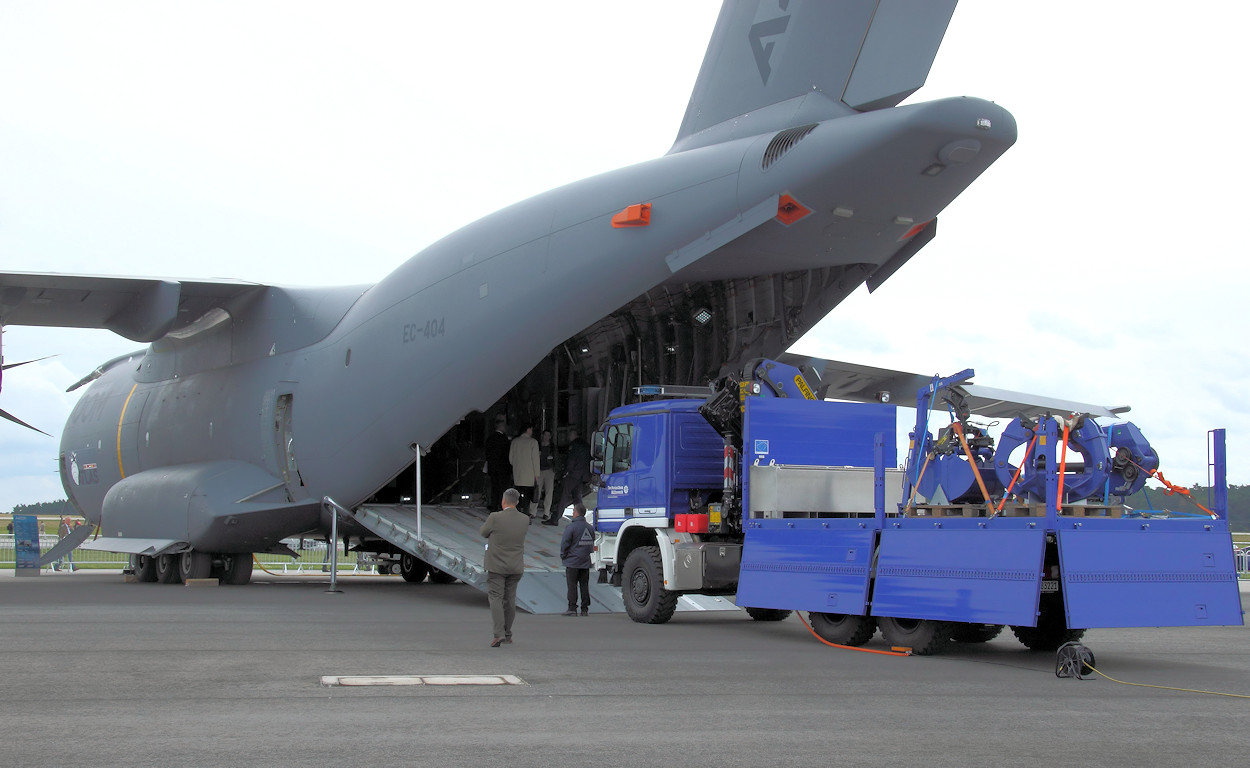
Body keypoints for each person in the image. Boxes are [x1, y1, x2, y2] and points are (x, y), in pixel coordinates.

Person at [480, 488, 530, 647]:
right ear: (517, 502)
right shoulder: (524, 519)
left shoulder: (495, 517)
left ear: (503, 501)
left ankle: (499, 634)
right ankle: (507, 633)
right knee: (510, 600)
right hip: (515, 566)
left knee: (495, 598)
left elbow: (483, 532)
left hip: (496, 565)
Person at [560, 501, 594, 616]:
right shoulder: (589, 528)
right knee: (584, 585)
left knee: (572, 585)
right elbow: (591, 542)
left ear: (576, 513)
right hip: (585, 561)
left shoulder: (571, 527)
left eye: (573, 511)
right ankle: (585, 609)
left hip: (572, 561)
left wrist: (563, 555)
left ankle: (572, 608)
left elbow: (565, 543)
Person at [554, 429, 592, 520]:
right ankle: (580, 517)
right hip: (582, 476)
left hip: (573, 474)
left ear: (572, 435)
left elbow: (571, 461)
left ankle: (555, 518)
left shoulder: (574, 445)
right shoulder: (586, 445)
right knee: (577, 498)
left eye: (569, 436)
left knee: (563, 496)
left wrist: (565, 473)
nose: (568, 438)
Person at [509, 423, 541, 516]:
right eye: (531, 429)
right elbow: (535, 460)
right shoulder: (533, 442)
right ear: (528, 430)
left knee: (518, 495)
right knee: (527, 496)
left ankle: (517, 512)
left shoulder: (515, 441)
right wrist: (537, 475)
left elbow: (511, 459)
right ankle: (525, 514)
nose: (532, 431)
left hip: (518, 474)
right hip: (529, 474)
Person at [484, 415, 512, 511]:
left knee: (494, 487)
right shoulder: (504, 440)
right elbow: (507, 454)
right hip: (503, 468)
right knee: (502, 487)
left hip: (492, 467)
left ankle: (494, 505)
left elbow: (487, 453)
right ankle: (502, 505)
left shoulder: (490, 438)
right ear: (501, 427)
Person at [535, 429, 556, 523]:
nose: (547, 437)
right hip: (539, 470)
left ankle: (546, 513)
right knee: (537, 491)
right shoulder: (537, 445)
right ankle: (532, 511)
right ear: (542, 436)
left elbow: (556, 458)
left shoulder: (552, 447)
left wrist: (555, 470)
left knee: (549, 492)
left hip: (549, 470)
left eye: (548, 435)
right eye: (545, 435)